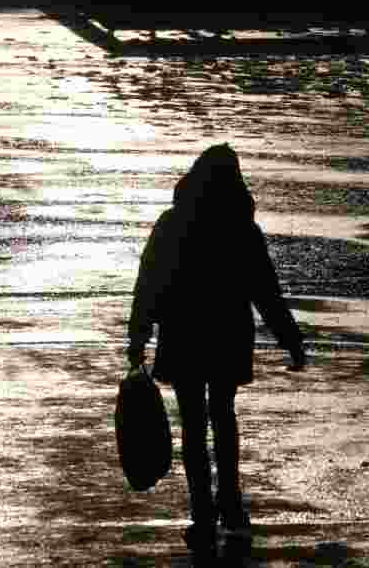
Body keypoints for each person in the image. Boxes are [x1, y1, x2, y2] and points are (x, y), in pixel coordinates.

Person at [127, 143, 306, 559]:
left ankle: (203, 512)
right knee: (223, 415)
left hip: (185, 334)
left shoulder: (171, 225)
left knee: (193, 422)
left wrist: (138, 335)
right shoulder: (242, 229)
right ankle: (231, 502)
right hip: (227, 335)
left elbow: (148, 285)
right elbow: (266, 293)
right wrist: (290, 339)